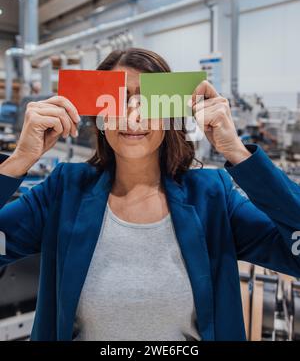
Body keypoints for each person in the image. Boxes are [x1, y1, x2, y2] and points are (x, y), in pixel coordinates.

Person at [0, 47, 300, 341]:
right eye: (119, 100)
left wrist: (237, 151)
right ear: (100, 118)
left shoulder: (212, 198)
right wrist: (18, 161)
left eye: (146, 101)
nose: (133, 114)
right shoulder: (64, 193)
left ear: (170, 112)